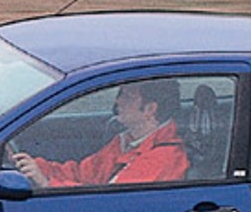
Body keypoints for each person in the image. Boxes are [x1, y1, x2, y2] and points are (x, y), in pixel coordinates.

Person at [12, 79, 188, 187]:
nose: (118, 101)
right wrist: (37, 167)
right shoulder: (128, 141)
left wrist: (47, 183)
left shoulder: (163, 157)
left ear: (150, 109)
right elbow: (84, 173)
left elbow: (112, 202)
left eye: (127, 97)